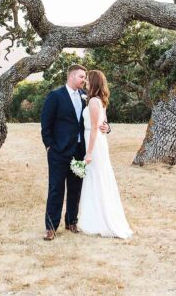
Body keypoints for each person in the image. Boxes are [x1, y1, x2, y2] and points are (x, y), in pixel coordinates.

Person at [39, 63, 109, 241]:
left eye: (85, 78)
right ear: (71, 76)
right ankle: (51, 227)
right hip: (58, 152)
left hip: (80, 150)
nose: (84, 80)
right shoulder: (55, 96)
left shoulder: (86, 96)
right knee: (56, 189)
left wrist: (107, 127)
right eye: (81, 77)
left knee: (75, 189)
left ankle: (71, 221)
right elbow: (45, 124)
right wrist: (49, 146)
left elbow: (98, 120)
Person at [77, 69, 133, 238]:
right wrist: (107, 127)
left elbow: (95, 128)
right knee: (96, 177)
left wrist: (89, 153)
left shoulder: (94, 101)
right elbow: (104, 122)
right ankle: (93, 217)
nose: (85, 82)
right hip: (97, 140)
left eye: (88, 80)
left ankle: (98, 220)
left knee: (96, 178)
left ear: (93, 82)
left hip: (94, 142)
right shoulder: (98, 100)